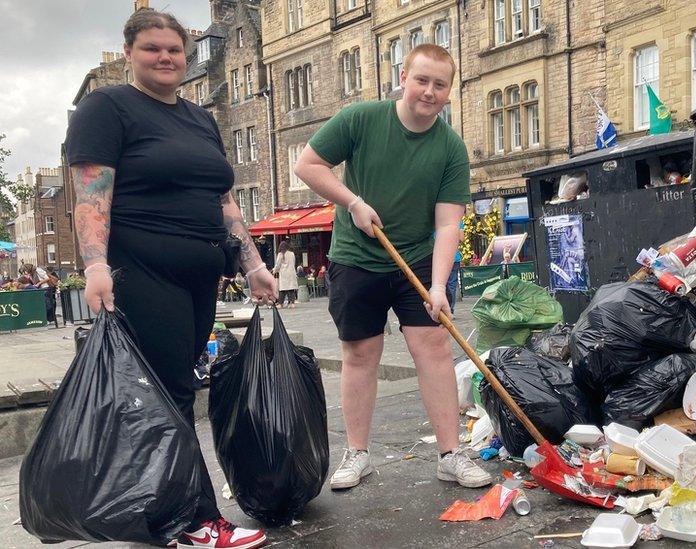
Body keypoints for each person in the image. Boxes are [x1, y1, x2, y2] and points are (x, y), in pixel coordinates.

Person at [64, 9, 276, 549]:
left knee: (174, 389)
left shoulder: (200, 119)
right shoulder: (106, 108)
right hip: (141, 269)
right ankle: (191, 520)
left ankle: (165, 515)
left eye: (174, 50)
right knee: (173, 391)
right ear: (130, 53)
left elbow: (223, 199)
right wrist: (94, 266)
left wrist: (252, 262)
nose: (165, 58)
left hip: (200, 274)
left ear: (187, 55)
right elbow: (92, 192)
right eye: (153, 48)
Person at [294, 43, 490, 491]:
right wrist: (353, 202)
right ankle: (358, 453)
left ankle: (449, 454)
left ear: (448, 93)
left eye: (440, 85)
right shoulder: (360, 119)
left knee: (435, 349)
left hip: (418, 259)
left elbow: (447, 225)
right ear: (403, 78)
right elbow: (308, 164)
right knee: (360, 355)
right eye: (421, 80)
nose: (429, 91)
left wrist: (439, 285)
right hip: (356, 257)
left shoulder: (450, 149)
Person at [273, 240, 298, 308]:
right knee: (291, 289)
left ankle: (280, 303)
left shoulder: (280, 254)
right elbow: (294, 263)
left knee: (282, 290)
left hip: (284, 274)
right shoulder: (292, 254)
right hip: (291, 272)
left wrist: (274, 271)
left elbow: (277, 265)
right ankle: (292, 303)